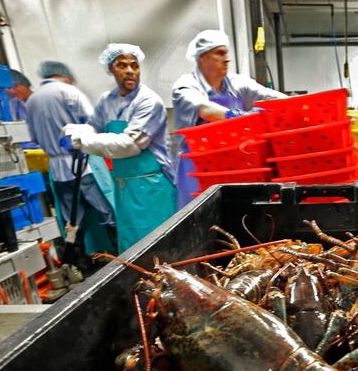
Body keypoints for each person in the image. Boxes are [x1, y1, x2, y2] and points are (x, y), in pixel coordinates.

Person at [62, 43, 176, 253]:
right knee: (133, 245)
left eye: (134, 65)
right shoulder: (108, 100)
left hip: (151, 187)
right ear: (111, 69)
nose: (130, 70)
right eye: (122, 65)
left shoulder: (149, 101)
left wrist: (83, 142)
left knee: (159, 246)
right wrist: (76, 129)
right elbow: (94, 126)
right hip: (125, 188)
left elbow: (130, 145)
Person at [171, 29, 285, 206]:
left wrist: (298, 104)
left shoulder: (236, 83)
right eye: (219, 53)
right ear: (202, 57)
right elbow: (206, 110)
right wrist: (240, 117)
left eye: (226, 53)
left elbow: (271, 97)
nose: (227, 59)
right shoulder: (185, 86)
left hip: (236, 164)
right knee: (200, 221)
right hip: (197, 170)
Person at [25, 62, 116, 251]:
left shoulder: (32, 100)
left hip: (57, 170)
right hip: (83, 164)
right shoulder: (68, 91)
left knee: (73, 219)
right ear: (66, 77)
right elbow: (94, 124)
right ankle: (120, 251)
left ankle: (79, 262)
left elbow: (33, 137)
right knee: (107, 209)